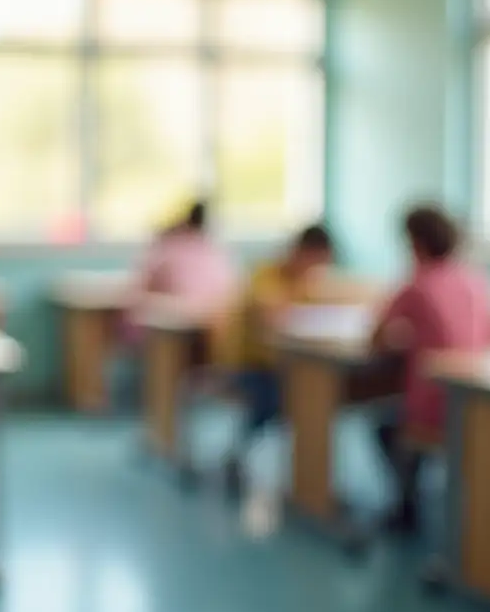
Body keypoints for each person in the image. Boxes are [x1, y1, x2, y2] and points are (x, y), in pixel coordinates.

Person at [370, 205, 490, 533]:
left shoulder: (419, 283)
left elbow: (378, 336)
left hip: (438, 403)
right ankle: (415, 492)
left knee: (385, 425)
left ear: (416, 243)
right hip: (480, 397)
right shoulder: (474, 278)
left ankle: (406, 502)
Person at [222, 225, 336, 496]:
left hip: (287, 364)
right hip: (250, 364)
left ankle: (311, 478)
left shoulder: (305, 281)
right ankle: (238, 456)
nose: (315, 268)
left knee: (319, 394)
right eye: (314, 260)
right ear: (300, 251)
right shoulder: (265, 274)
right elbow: (271, 314)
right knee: (275, 399)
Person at [128, 200, 238, 327]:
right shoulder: (217, 251)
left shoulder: (170, 245)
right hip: (208, 318)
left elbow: (143, 285)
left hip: (179, 318)